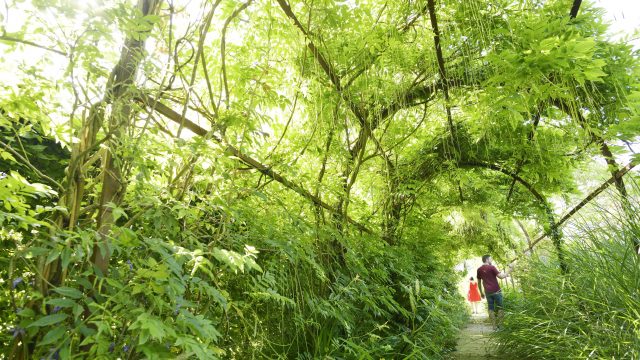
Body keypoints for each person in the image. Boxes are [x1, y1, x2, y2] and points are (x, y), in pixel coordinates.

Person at [477, 254, 513, 329]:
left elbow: (479, 282)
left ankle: (494, 326)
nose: (492, 260)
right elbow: (501, 276)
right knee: (500, 307)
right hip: (496, 291)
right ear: (487, 259)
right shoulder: (492, 267)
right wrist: (509, 270)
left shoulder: (479, 269)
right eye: (491, 259)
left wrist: (481, 293)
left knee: (490, 308)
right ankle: (500, 325)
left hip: (487, 292)